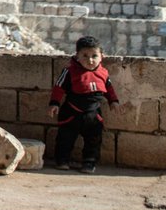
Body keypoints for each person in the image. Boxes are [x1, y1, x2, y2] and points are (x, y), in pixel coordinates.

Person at [47, 35, 121, 173]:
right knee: (65, 139)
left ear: (102, 56)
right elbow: (59, 87)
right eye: (85, 56)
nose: (90, 60)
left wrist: (113, 101)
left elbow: (109, 89)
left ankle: (89, 163)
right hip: (71, 113)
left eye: (94, 56)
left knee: (94, 140)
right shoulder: (69, 71)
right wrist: (54, 103)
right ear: (77, 56)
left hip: (93, 114)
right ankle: (62, 160)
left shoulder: (103, 73)